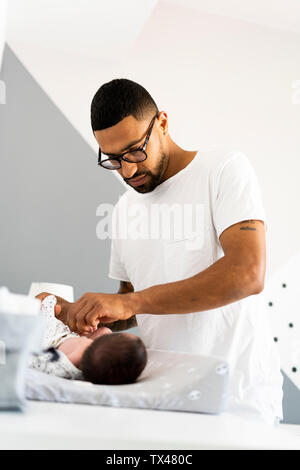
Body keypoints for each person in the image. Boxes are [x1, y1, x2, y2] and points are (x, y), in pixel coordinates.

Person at [38, 78, 283, 425]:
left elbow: (247, 273)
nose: (129, 170)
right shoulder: (124, 209)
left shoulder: (223, 169)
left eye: (135, 150)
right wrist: (80, 313)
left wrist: (131, 302)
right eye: (113, 159)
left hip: (239, 402)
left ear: (163, 123)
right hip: (164, 400)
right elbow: (131, 304)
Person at [30, 294, 147, 384]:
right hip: (72, 338)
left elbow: (54, 364)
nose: (117, 335)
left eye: (120, 337)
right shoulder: (93, 354)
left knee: (45, 304)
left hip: (53, 341)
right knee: (105, 331)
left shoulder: (80, 353)